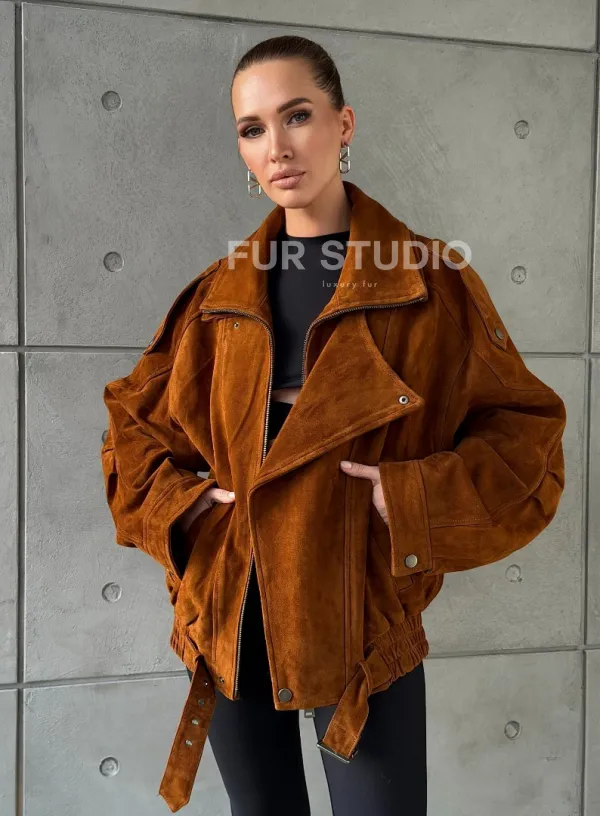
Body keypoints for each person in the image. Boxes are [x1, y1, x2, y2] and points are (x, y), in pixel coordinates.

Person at [100, 34, 567, 816]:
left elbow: (527, 434)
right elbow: (132, 427)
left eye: (298, 116)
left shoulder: (429, 282)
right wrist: (185, 507)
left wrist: (411, 498)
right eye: (252, 129)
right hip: (230, 617)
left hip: (363, 633)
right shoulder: (219, 296)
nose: (277, 148)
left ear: (343, 125)